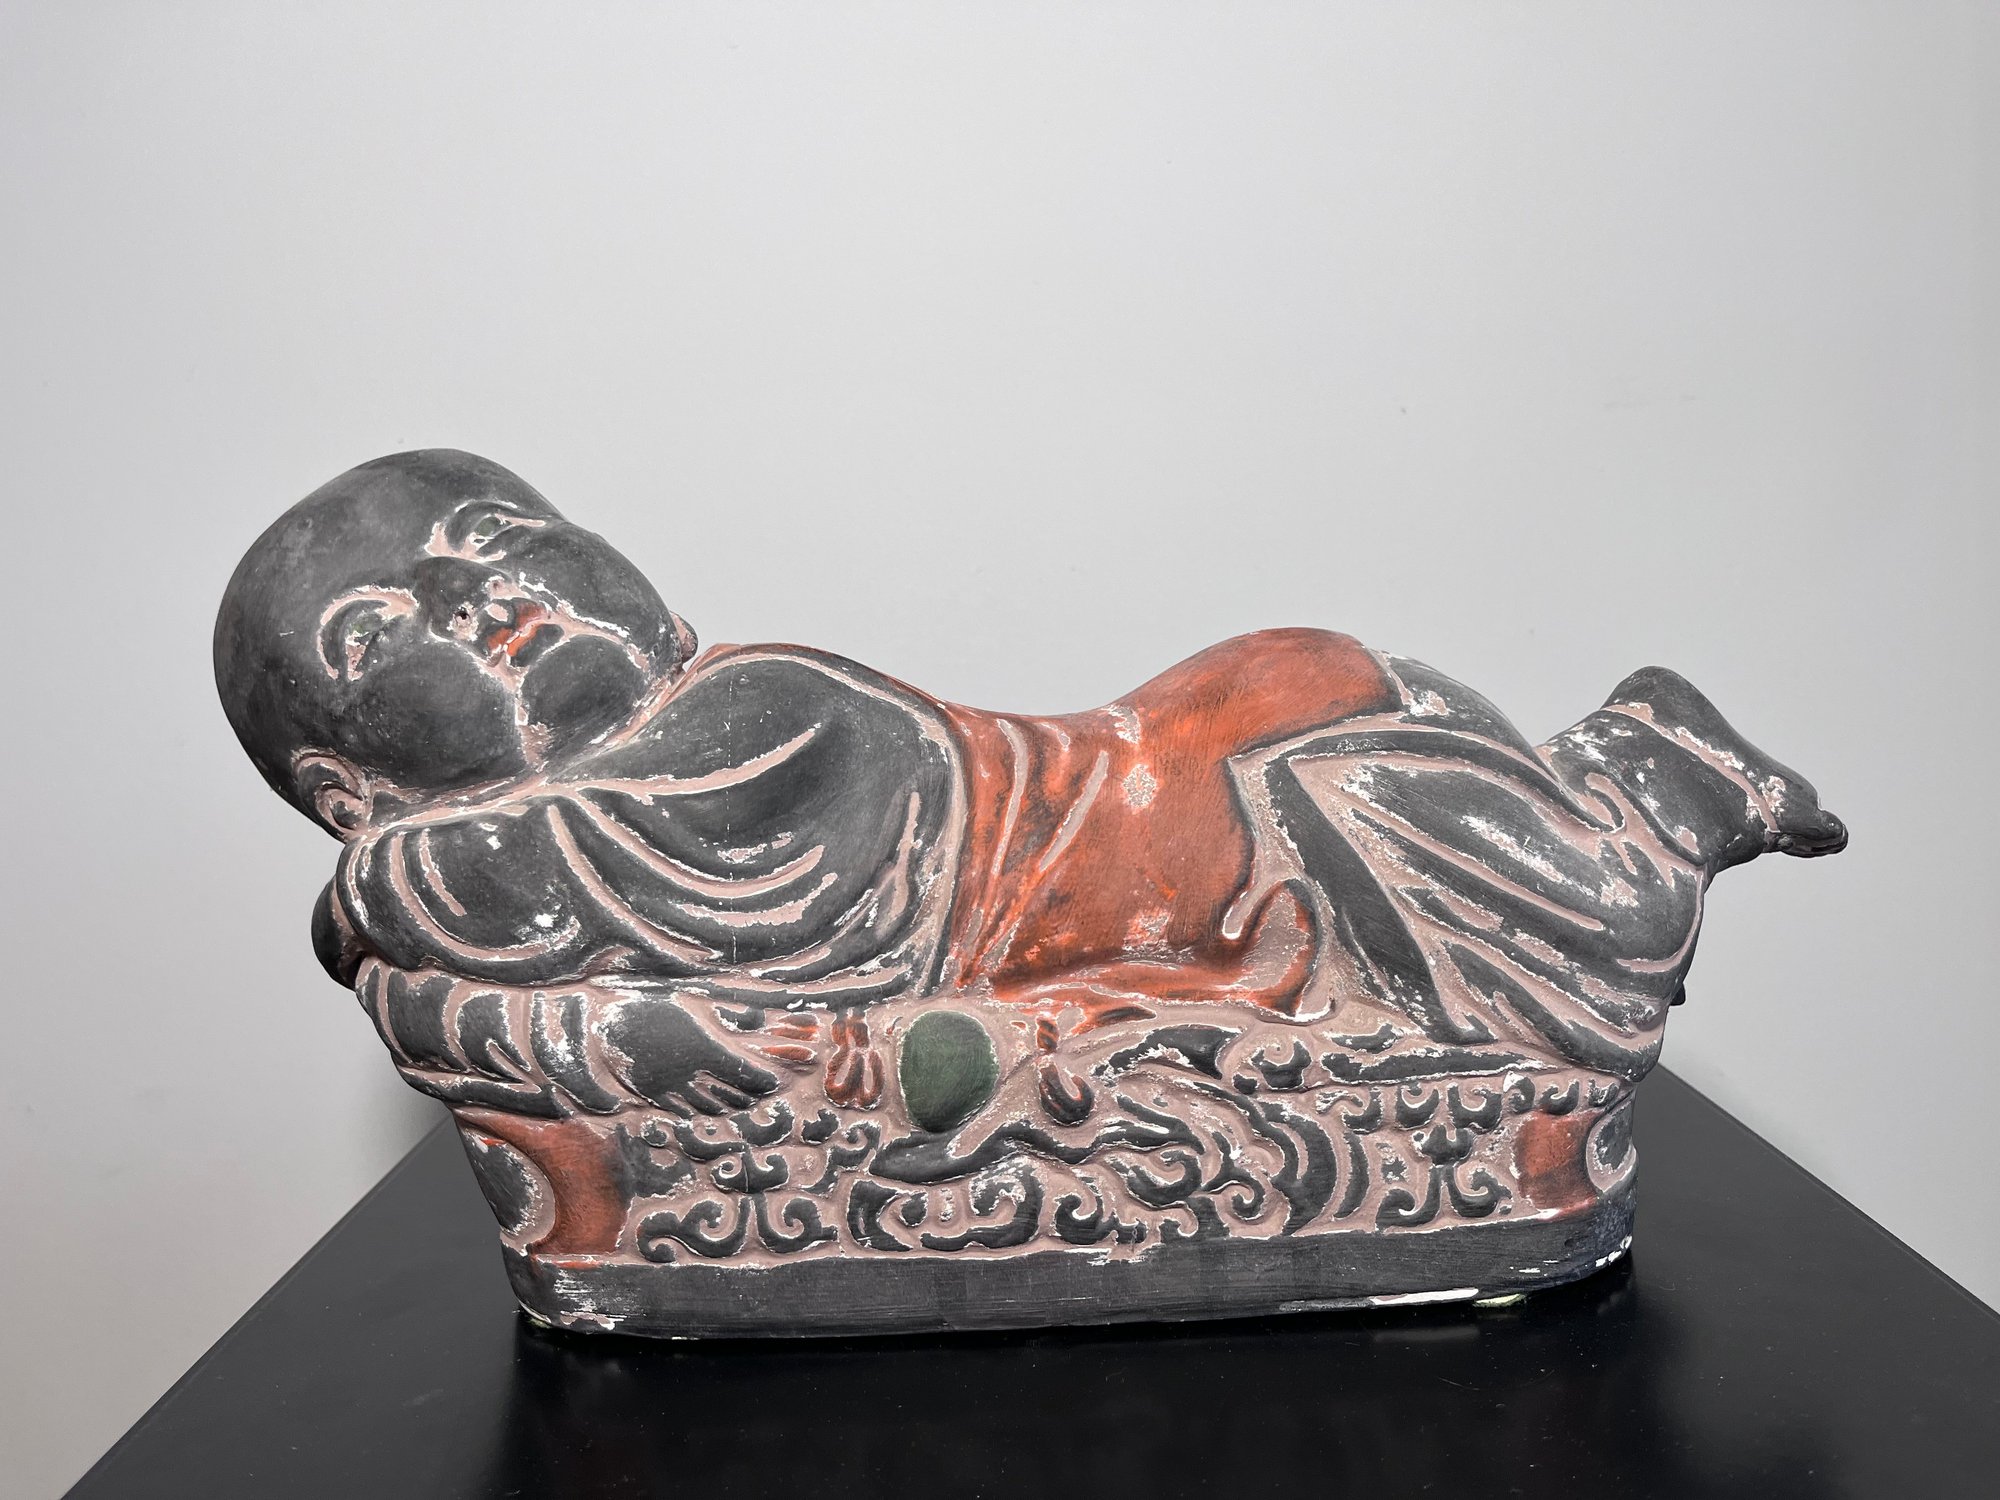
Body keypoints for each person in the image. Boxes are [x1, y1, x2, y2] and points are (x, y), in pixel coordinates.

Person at [216, 450, 1846, 1118]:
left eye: (496, 536)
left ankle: (1660, 761)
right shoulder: (570, 833)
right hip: (1218, 817)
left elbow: (533, 880)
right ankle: (1603, 769)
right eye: (383, 630)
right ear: (350, 784)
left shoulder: (751, 718)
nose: (476, 595)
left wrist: (368, 899)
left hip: (1265, 784)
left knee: (1594, 962)